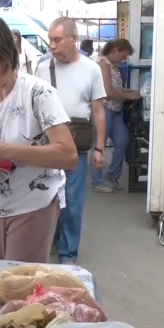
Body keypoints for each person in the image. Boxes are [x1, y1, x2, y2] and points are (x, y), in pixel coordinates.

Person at [0, 16, 77, 262]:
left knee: (19, 284)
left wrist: (7, 151)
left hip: (34, 203)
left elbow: (68, 155)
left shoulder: (38, 93)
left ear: (6, 54)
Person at [33, 17, 106, 265]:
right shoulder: (42, 68)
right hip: (47, 145)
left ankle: (68, 254)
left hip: (78, 145)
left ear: (73, 39)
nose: (52, 46)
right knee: (47, 198)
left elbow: (98, 111)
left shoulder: (92, 69)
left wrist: (99, 148)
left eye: (57, 39)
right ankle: (51, 240)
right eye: (50, 40)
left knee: (73, 204)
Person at [93, 39, 142, 193]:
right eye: (123, 55)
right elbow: (108, 92)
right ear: (115, 50)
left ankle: (112, 176)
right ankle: (97, 181)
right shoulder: (103, 64)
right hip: (105, 109)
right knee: (99, 146)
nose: (124, 59)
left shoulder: (112, 65)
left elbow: (117, 88)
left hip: (115, 110)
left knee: (122, 141)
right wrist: (129, 96)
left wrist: (130, 92)